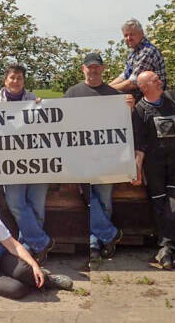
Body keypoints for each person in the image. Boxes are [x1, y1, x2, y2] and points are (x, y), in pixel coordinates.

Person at [64, 52, 130, 267]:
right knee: (89, 200)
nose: (93, 70)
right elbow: (59, 123)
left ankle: (99, 243)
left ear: (102, 69)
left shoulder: (113, 94)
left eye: (96, 67)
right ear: (83, 69)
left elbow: (124, 123)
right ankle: (105, 237)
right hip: (81, 158)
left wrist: (129, 106)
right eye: (89, 67)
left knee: (104, 200)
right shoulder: (72, 93)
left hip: (107, 158)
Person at [0, 64, 53, 262]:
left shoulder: (33, 99)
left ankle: (31, 250)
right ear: (5, 80)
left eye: (19, 78)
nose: (16, 81)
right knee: (15, 203)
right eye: (12, 77)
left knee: (37, 206)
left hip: (37, 161)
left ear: (24, 81)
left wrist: (44, 106)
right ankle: (42, 242)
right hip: (10, 162)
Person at [131, 71, 175, 270]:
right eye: (154, 80)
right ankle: (170, 250)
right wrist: (137, 169)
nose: (160, 81)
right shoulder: (140, 110)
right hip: (155, 166)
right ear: (144, 87)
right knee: (159, 207)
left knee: (173, 206)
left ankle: (165, 248)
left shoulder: (173, 98)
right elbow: (140, 144)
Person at [108, 18, 167, 98]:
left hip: (154, 100)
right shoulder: (133, 52)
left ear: (142, 33)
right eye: (126, 35)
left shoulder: (147, 51)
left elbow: (133, 83)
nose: (128, 38)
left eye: (132, 34)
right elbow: (124, 75)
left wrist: (106, 91)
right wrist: (105, 88)